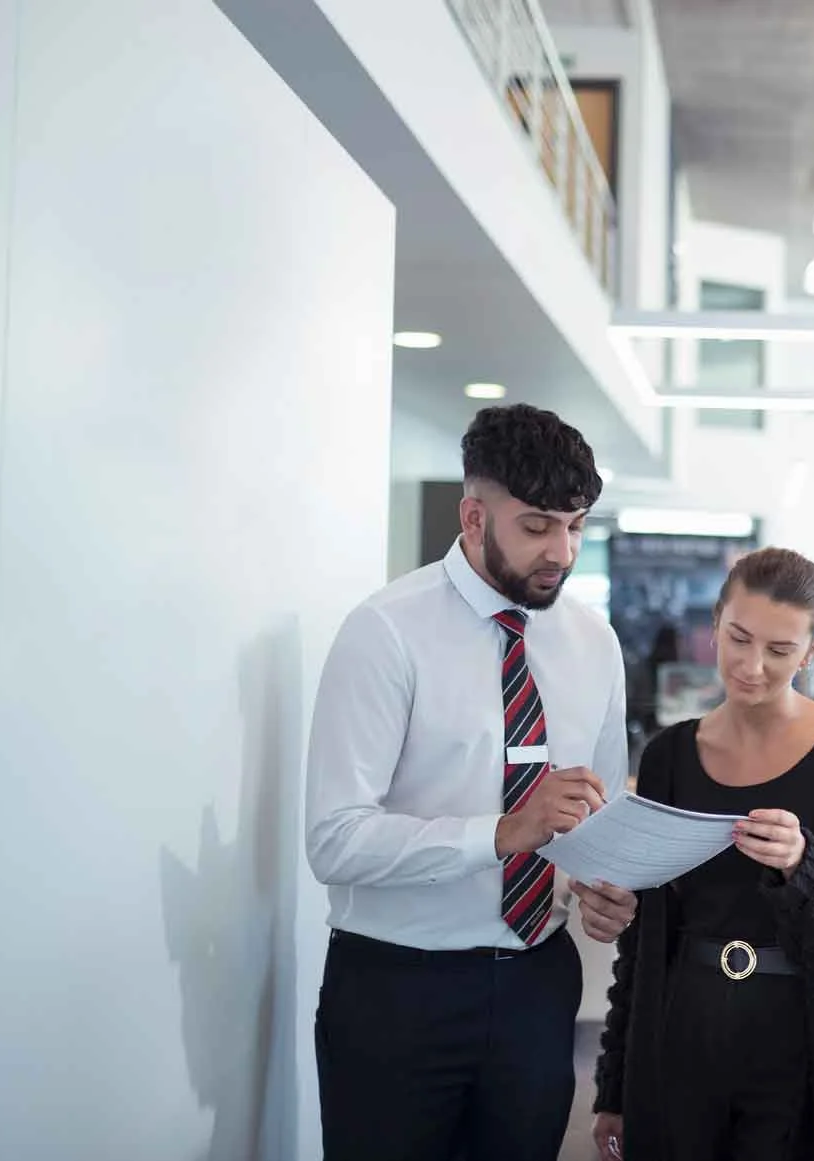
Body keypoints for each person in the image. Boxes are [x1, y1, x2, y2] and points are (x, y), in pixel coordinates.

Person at [304, 404, 640, 1161]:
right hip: (396, 989)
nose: (562, 550)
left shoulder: (593, 641)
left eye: (577, 525)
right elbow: (333, 839)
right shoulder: (385, 631)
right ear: (474, 515)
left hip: (537, 985)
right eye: (536, 526)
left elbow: (599, 813)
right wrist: (504, 831)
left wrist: (609, 887)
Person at [592, 548, 814, 1161]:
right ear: (714, 623)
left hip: (798, 1045)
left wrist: (802, 861)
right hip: (681, 1037)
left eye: (781, 651)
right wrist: (614, 1087)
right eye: (738, 638)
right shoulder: (669, 756)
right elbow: (646, 943)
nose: (751, 666)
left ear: (813, 652)